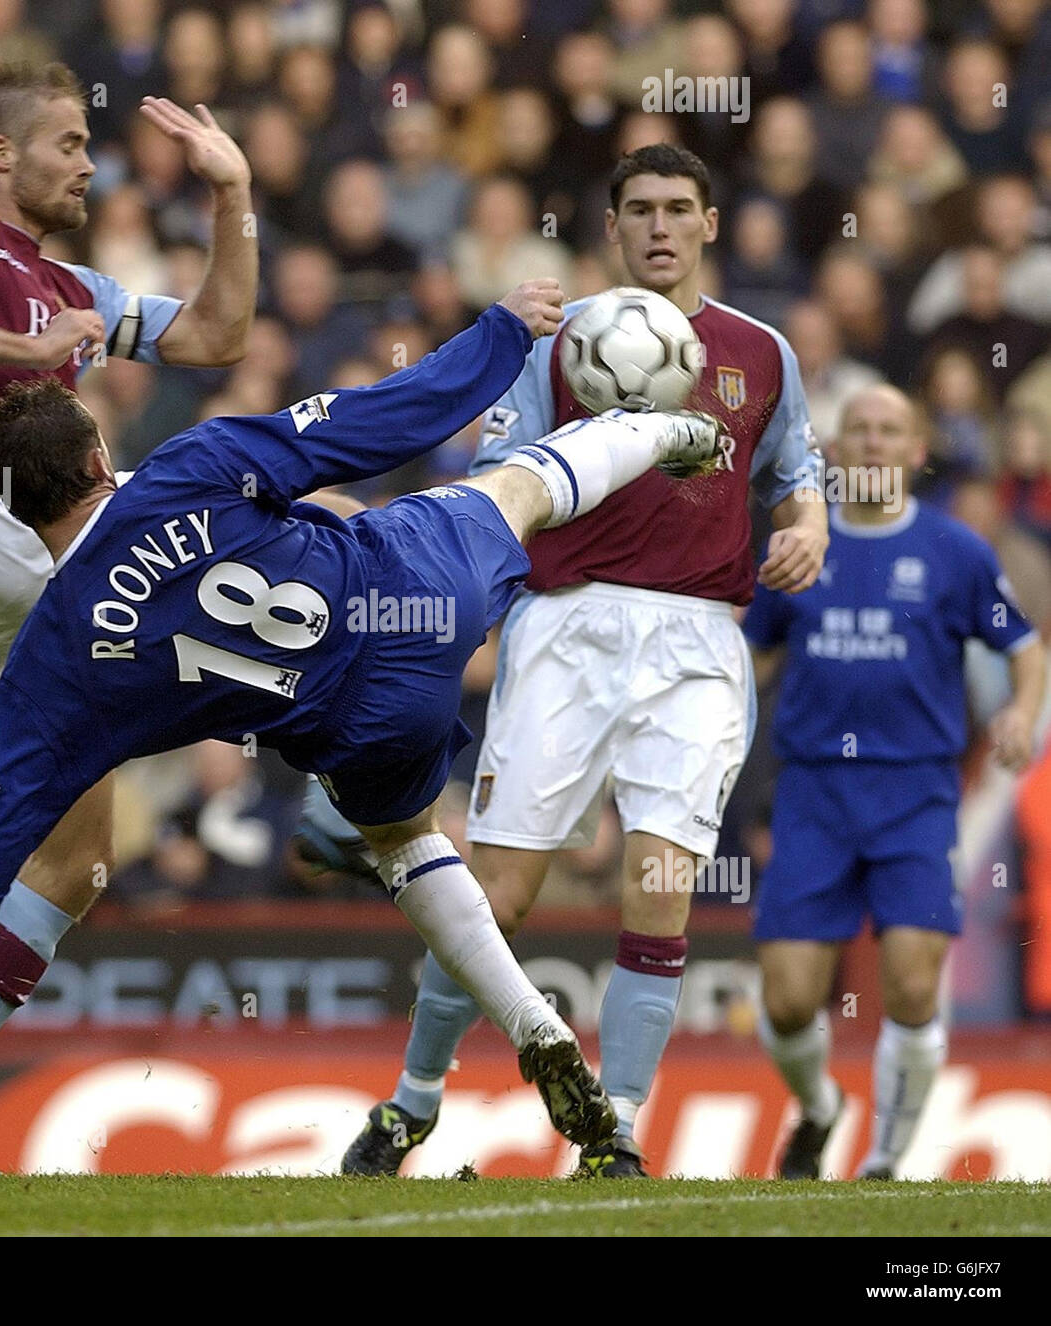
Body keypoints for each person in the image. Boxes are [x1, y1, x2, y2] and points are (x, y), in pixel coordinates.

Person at [0, 281, 726, 1171]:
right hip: (410, 599)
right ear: (95, 462)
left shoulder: (50, 671)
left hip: (352, 731)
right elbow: (380, 419)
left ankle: (533, 1024)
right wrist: (500, 334)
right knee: (516, 488)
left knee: (399, 841)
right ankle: (676, 432)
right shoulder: (192, 464)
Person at [338, 142, 828, 1179]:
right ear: (611, 229)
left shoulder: (762, 351)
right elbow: (496, 475)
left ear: (707, 224)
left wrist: (811, 525)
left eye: (678, 209)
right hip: (568, 626)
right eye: (639, 209)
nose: (659, 226)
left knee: (658, 888)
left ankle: (619, 1132)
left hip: (698, 638)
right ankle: (410, 1103)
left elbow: (795, 470)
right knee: (500, 894)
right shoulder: (557, 344)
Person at [0, 62, 258, 1167]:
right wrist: (25, 351)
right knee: (260, 521)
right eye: (69, 142)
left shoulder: (73, 285)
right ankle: (332, 761)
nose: (88, 161)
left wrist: (231, 196)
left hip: (23, 567)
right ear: (2, 155)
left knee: (77, 861)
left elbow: (217, 337)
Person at [744, 383, 1045, 1180]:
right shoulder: (798, 549)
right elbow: (751, 655)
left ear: (916, 452)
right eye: (859, 431)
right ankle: (817, 1107)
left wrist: (1020, 712)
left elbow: (1025, 646)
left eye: (890, 430)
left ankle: (883, 1160)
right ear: (834, 454)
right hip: (813, 793)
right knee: (785, 1001)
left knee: (912, 985)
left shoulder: (957, 551)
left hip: (916, 794)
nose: (873, 443)